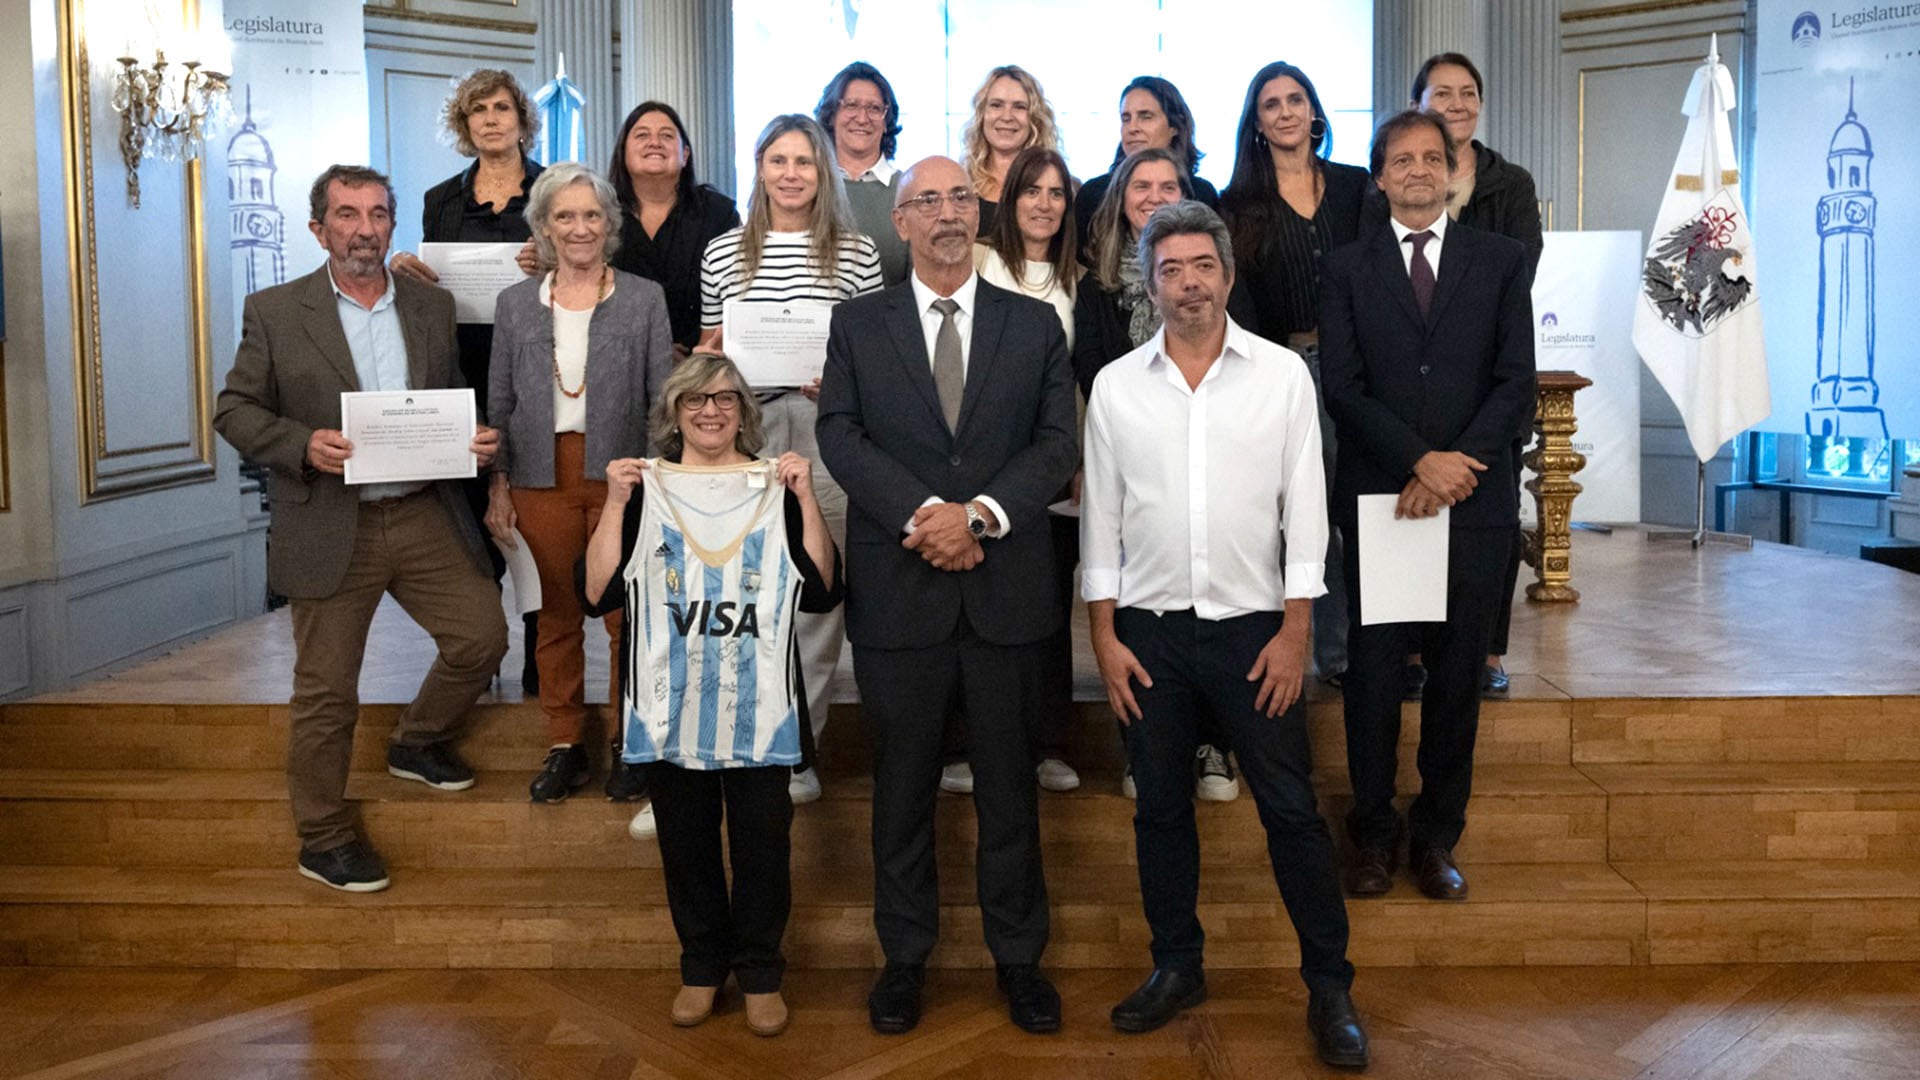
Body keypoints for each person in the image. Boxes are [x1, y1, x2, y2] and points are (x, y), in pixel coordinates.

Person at [1081, 199, 1368, 1068]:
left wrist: (1296, 631)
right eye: (1170, 269)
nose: (1189, 283)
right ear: (1150, 282)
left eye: (1202, 266)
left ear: (1229, 274)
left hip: (1257, 634)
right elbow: (1101, 519)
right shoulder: (1116, 386)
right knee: (1159, 811)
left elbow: (1307, 513)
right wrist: (1104, 635)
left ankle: (1330, 985)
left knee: (1290, 812)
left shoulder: (1282, 374)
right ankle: (1178, 967)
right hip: (1149, 634)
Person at [816, 156, 1077, 1037]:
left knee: (1010, 788)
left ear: (981, 212)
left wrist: (983, 516)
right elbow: (839, 435)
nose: (946, 213)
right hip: (900, 593)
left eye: (961, 197)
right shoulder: (857, 323)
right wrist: (928, 515)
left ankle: (1019, 962)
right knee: (902, 792)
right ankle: (903, 960)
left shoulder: (1035, 325)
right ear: (900, 222)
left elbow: (1053, 444)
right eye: (926, 201)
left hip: (1007, 596)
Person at [212, 165, 509, 893]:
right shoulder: (276, 311)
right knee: (326, 693)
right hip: (331, 520)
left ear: (392, 225)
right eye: (347, 214)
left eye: (377, 214)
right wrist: (301, 445)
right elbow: (234, 411)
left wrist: (469, 439)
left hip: (419, 511)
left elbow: (443, 406)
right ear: (319, 229)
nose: (364, 229)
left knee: (481, 638)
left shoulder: (430, 309)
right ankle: (323, 836)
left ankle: (417, 740)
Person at [580, 353, 840, 1040]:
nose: (710, 411)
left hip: (760, 706)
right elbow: (597, 591)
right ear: (674, 412)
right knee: (686, 845)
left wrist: (807, 494)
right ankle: (701, 967)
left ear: (743, 411)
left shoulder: (776, 489)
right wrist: (612, 501)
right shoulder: (644, 491)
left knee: (763, 845)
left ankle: (760, 973)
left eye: (725, 398)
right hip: (671, 707)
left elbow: (819, 588)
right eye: (694, 399)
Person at [1319, 110, 1536, 904]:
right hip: (1385, 498)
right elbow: (1340, 387)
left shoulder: (1501, 261)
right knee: (1375, 678)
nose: (1416, 170)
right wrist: (1418, 460)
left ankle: (1438, 835)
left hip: (1473, 502)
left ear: (1454, 171)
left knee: (1454, 677)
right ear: (1377, 178)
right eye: (1400, 159)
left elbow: (1516, 381)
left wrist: (1455, 469)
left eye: (1430, 158)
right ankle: (1373, 834)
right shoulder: (1346, 269)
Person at [699, 114, 882, 805]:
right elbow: (707, 353)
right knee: (746, 592)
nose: (792, 173)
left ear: (823, 170)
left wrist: (837, 382)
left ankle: (797, 751)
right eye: (778, 160)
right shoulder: (723, 254)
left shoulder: (857, 253)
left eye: (804, 161)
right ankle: (736, 742)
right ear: (759, 167)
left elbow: (873, 359)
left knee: (815, 591)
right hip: (741, 431)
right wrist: (711, 356)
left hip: (827, 428)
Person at [485, 162, 673, 804]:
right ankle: (565, 741)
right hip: (540, 476)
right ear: (543, 226)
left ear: (610, 224)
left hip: (625, 478)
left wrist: (654, 484)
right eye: (564, 216)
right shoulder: (513, 305)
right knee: (556, 616)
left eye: (591, 215)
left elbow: (661, 402)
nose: (579, 227)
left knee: (627, 614)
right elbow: (501, 399)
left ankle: (630, 742)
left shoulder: (645, 298)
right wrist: (499, 485)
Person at [1075, 147, 1240, 803]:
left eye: (1167, 183)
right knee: (1144, 617)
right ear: (1120, 197)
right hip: (1133, 468)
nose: (1153, 194)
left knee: (1215, 610)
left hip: (1214, 461)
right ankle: (1146, 750)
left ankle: (1212, 745)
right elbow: (1095, 374)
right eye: (1140, 185)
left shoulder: (1215, 274)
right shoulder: (1096, 286)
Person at [387, 68, 543, 699]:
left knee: (531, 524)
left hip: (537, 372)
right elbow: (429, 286)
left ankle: (539, 662)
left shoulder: (554, 188)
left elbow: (591, 260)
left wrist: (552, 258)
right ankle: (477, 658)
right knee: (469, 523)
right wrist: (406, 268)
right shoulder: (439, 199)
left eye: (502, 107)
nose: (490, 119)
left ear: (522, 118)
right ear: (463, 124)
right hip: (460, 374)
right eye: (477, 110)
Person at [1220, 60, 1374, 695]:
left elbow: (1377, 281)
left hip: (1357, 368)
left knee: (1357, 508)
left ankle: (1368, 651)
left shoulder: (1355, 185)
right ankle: (1325, 652)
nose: (1284, 112)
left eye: (1295, 99)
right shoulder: (1237, 205)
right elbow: (1242, 303)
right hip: (1281, 368)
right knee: (1302, 514)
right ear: (1256, 123)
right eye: (1270, 104)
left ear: (1314, 111)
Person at [1409, 52, 1544, 700]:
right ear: (1419, 105)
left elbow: (1520, 274)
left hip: (1491, 385)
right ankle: (1414, 647)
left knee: (1489, 529)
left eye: (1468, 93)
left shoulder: (1508, 185)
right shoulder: (1396, 176)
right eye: (1442, 93)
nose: (1456, 104)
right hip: (1414, 390)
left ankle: (1488, 650)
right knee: (1412, 519)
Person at [969, 146, 1082, 795]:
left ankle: (1048, 744)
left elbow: (1078, 382)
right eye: (1031, 191)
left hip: (1049, 468)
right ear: (1009, 200)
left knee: (1045, 610)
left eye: (1057, 192)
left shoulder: (1078, 278)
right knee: (978, 609)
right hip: (979, 467)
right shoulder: (980, 263)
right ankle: (974, 745)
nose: (1044, 203)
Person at [606, 101, 742, 355]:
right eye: (642, 135)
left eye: (667, 136)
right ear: (623, 151)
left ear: (685, 154)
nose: (654, 142)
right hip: (619, 359)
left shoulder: (718, 214)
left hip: (703, 363)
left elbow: (738, 294)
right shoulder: (599, 214)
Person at [1075, 76, 1219, 258]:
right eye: (1126, 118)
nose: (1132, 128)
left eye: (1145, 117)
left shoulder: (1201, 194)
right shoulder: (1093, 195)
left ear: (1174, 126)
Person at [816, 62, 911, 285]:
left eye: (875, 108)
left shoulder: (909, 191)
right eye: (851, 105)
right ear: (831, 115)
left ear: (887, 121)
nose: (862, 118)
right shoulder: (810, 187)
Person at [961, 65, 1063, 234]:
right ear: (982, 114)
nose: (1007, 116)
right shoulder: (961, 185)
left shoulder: (1059, 185)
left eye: (1019, 107)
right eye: (996, 105)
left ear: (1034, 117)